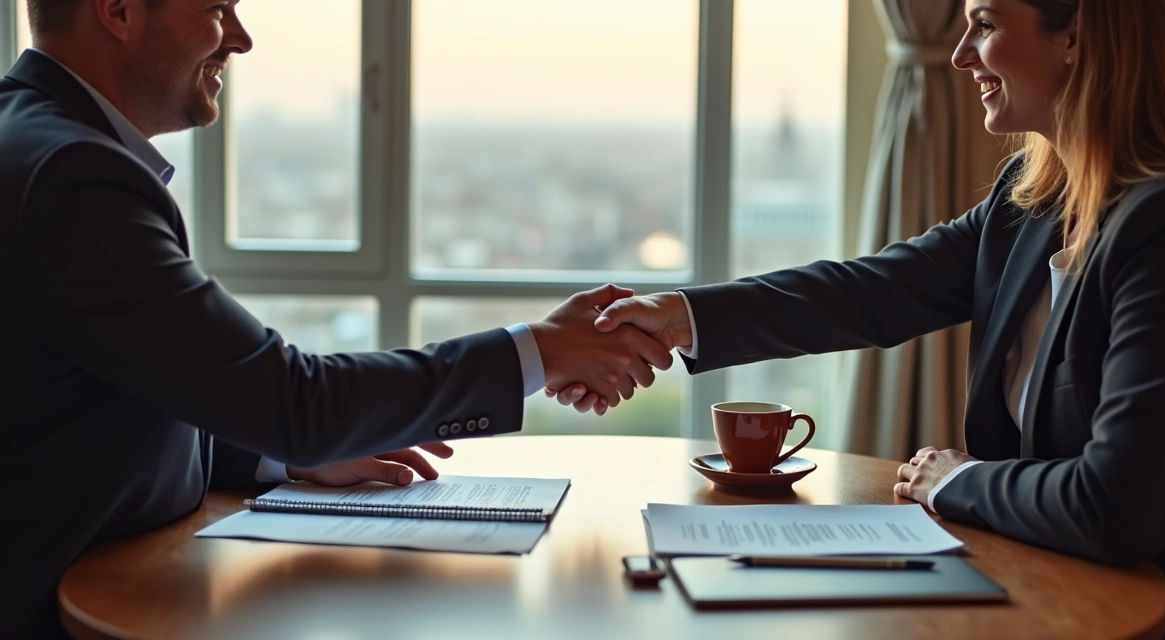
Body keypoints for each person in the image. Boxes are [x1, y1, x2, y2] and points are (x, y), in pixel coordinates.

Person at [0, 0, 669, 636]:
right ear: (116, 9)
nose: (240, 37)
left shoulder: (32, 138)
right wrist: (542, 351)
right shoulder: (75, 175)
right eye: (214, 10)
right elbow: (293, 396)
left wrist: (279, 456)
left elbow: (122, 392)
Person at [555, 0, 1165, 636]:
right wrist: (677, 316)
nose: (959, 56)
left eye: (983, 25)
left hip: (1146, 616)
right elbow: (866, 293)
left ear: (1076, 36)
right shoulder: (1028, 206)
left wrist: (958, 480)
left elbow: (1115, 509)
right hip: (1039, 589)